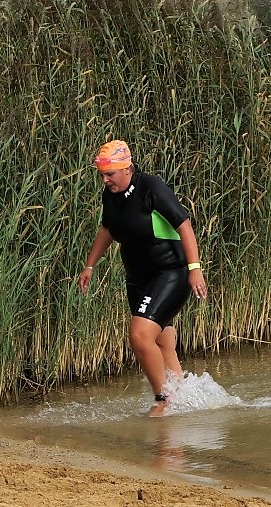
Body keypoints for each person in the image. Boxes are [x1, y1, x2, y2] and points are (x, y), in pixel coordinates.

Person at [78, 140, 207, 417]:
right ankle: (183, 405)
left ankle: (163, 399)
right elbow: (107, 229)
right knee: (162, 342)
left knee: (139, 335)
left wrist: (194, 268)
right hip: (137, 278)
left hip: (170, 272)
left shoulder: (151, 187)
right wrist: (90, 266)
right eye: (102, 175)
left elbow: (184, 225)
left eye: (110, 174)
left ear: (127, 168)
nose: (105, 180)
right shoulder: (110, 194)